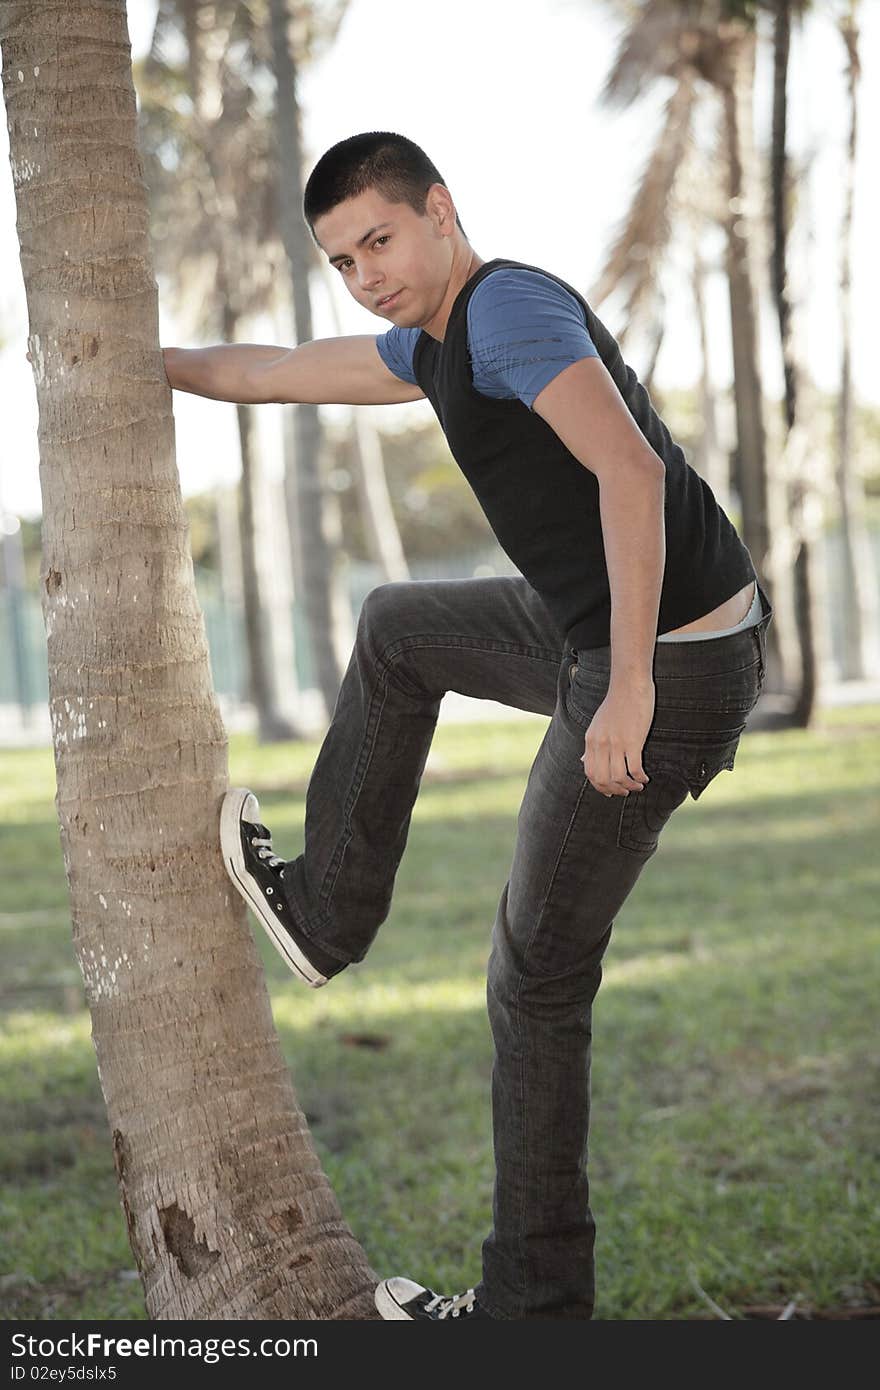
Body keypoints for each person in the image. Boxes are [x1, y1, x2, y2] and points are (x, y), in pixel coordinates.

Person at [163, 132, 772, 1321]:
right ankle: (326, 913)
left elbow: (632, 476)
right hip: (602, 630)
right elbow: (277, 370)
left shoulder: (506, 314)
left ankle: (529, 1313)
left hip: (667, 660)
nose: (365, 275)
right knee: (398, 625)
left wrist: (631, 688)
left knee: (535, 980)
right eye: (342, 259)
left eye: (379, 240)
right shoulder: (429, 342)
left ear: (440, 211)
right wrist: (140, 362)